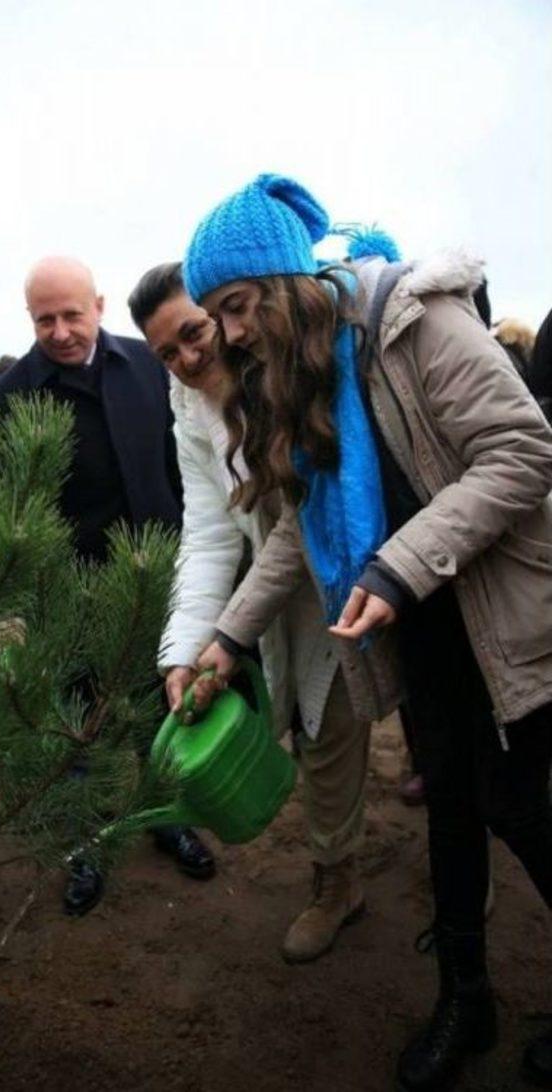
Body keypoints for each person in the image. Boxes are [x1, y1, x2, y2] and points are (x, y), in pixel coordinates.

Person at [178, 174, 552, 1092]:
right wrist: (225, 640)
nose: (228, 334)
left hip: (501, 611)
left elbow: (524, 451)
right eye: (216, 315)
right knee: (456, 808)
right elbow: (303, 534)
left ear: (282, 282)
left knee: (515, 802)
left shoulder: (412, 325)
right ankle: (468, 1000)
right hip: (422, 621)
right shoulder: (307, 377)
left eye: (236, 307)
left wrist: (396, 566)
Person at [129, 261, 377, 963]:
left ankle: (449, 849)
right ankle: (340, 880)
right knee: (314, 730)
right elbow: (209, 532)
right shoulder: (189, 412)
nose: (186, 358)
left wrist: (229, 635)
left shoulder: (283, 372)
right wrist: (182, 649)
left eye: (193, 332)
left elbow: (306, 523)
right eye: (165, 354)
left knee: (389, 724)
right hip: (272, 597)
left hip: (349, 569)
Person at [0, 256, 215, 913]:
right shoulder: (12, 397)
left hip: (159, 579)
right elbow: (13, 511)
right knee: (76, 726)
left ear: (99, 306)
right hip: (70, 594)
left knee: (160, 709)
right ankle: (83, 848)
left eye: (71, 315)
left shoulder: (148, 366)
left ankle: (167, 818)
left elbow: (184, 467)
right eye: (44, 319)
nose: (60, 331)